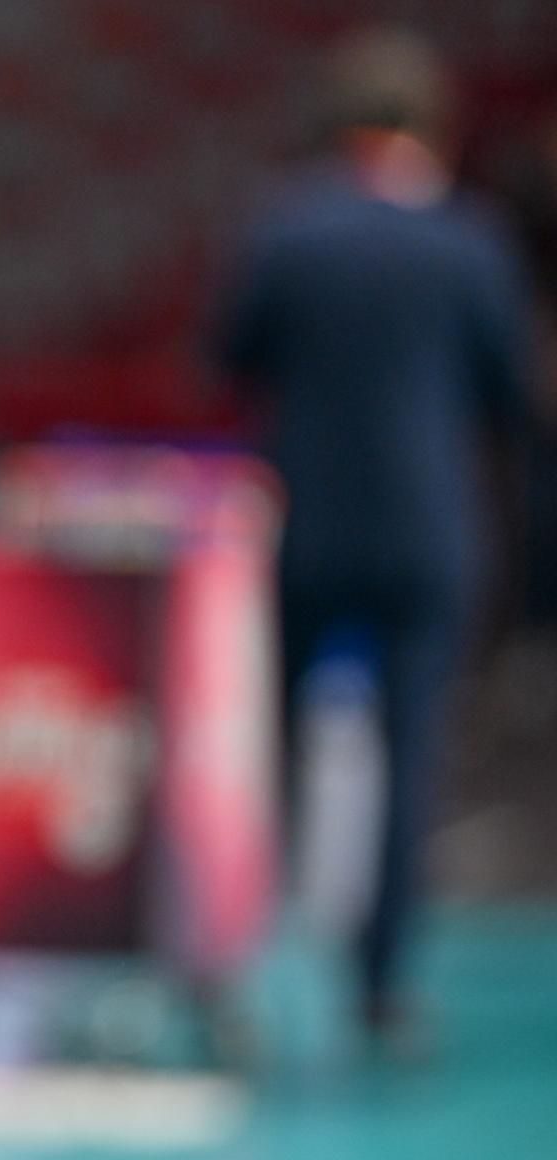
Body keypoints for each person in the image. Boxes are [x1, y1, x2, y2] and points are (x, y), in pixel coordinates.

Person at [219, 29, 535, 1045]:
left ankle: (247, 981)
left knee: (269, 760)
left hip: (305, 529)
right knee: (410, 762)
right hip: (426, 533)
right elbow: (511, 393)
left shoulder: (287, 229)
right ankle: (382, 991)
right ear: (427, 131)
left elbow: (231, 358)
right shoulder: (471, 240)